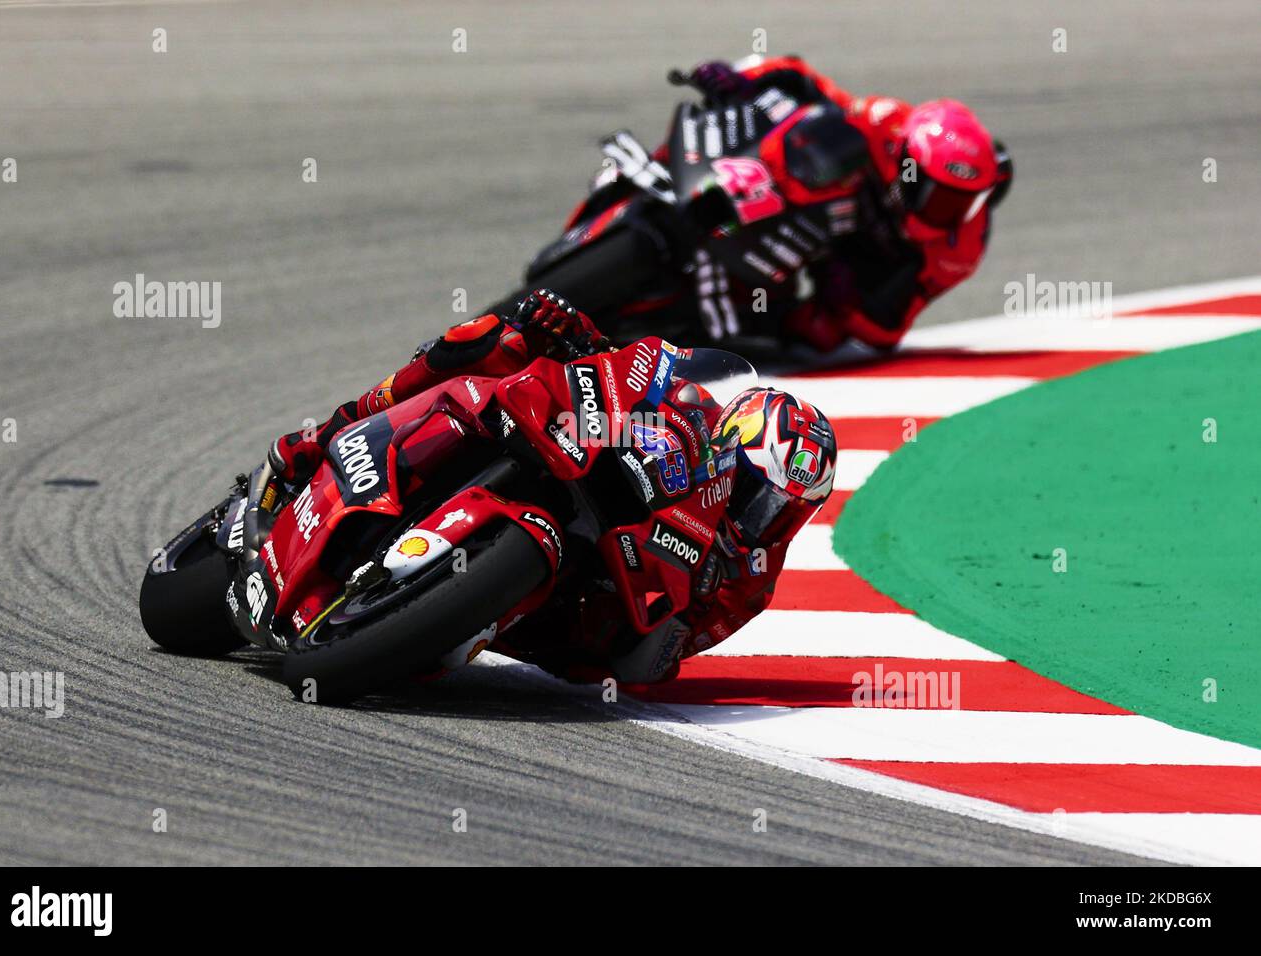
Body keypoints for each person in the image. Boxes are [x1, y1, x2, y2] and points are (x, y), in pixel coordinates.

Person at [270, 289, 837, 684]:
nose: (764, 513)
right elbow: (636, 372)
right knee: (491, 341)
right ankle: (327, 434)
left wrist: (684, 614)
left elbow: (657, 663)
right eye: (758, 489)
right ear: (729, 444)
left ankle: (439, 617)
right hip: (577, 458)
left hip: (570, 614)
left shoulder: (751, 581)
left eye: (781, 508)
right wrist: (581, 338)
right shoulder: (692, 419)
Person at [682, 54, 1014, 351]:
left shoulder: (960, 250)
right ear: (909, 164)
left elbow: (889, 330)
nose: (949, 212)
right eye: (941, 197)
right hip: (815, 205)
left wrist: (845, 299)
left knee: (822, 333)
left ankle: (741, 328)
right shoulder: (887, 122)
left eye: (964, 202)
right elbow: (808, 82)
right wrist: (744, 80)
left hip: (855, 264)